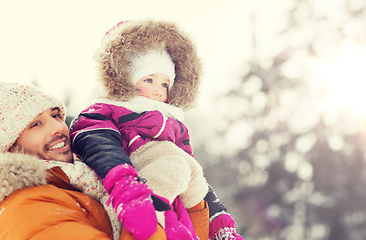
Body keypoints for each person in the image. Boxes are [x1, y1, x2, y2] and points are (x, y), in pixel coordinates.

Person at [69, 20, 243, 240]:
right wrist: (130, 192)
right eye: (149, 80)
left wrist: (220, 224)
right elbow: (101, 148)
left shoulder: (173, 125)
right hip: (131, 196)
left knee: (184, 168)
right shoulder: (105, 110)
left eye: (164, 84)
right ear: (124, 80)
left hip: (177, 207)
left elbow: (195, 179)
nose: (158, 91)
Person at [0, 71, 185, 240]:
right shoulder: (25, 207)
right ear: (9, 146)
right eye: (36, 124)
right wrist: (151, 206)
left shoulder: (76, 183)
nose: (58, 128)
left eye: (55, 115)